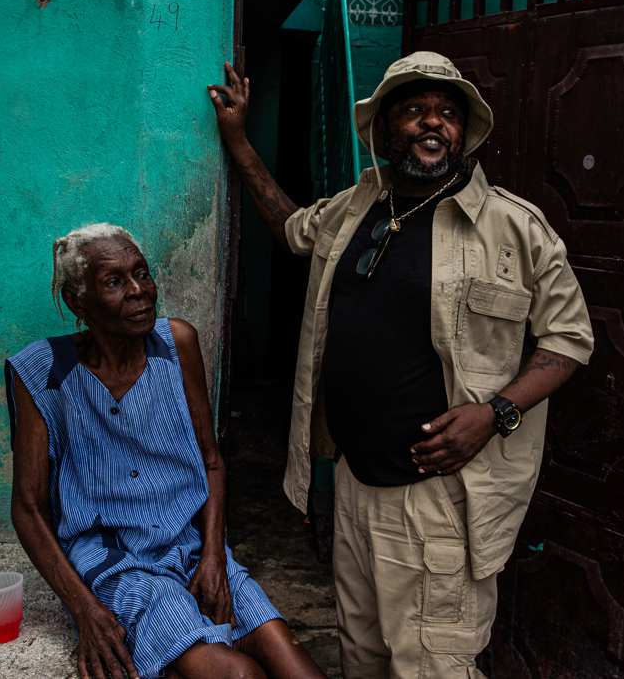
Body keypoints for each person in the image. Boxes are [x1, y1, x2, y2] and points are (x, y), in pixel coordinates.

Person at [208, 52, 595, 678]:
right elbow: (287, 229)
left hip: (439, 499)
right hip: (357, 485)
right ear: (384, 131)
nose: (432, 124)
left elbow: (570, 340)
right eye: (414, 111)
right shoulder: (356, 207)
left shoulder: (513, 227)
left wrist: (496, 413)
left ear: (465, 131)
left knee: (433, 667)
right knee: (363, 658)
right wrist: (238, 140)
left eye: (447, 113)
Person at [7, 223, 329, 679]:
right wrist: (83, 610)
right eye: (115, 282)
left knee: (296, 666)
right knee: (239, 675)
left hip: (191, 546)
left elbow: (212, 460)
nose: (140, 291)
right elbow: (28, 507)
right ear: (78, 300)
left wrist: (215, 555)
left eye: (142, 273)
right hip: (115, 562)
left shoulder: (177, 343)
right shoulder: (42, 371)